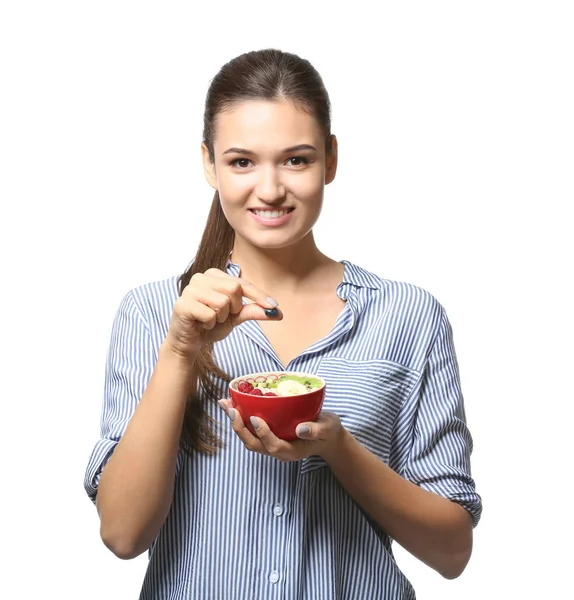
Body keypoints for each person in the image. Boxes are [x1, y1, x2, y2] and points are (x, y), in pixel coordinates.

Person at [84, 48, 482, 600]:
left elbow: (452, 551)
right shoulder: (154, 313)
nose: (270, 190)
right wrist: (179, 352)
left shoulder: (408, 316)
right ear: (208, 163)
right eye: (242, 162)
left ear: (331, 159)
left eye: (296, 160)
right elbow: (123, 534)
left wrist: (337, 448)